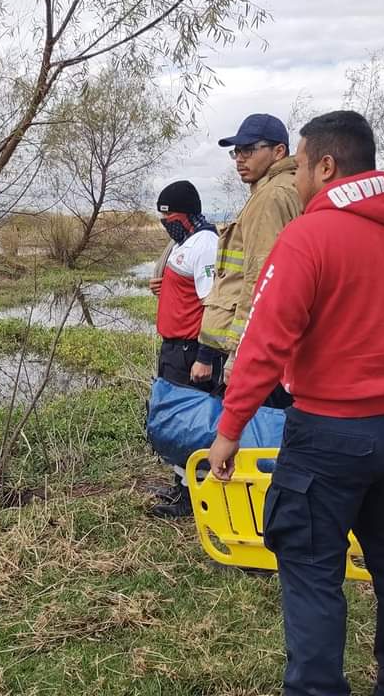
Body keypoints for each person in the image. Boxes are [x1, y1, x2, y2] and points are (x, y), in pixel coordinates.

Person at [206, 110, 384, 696]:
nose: (297, 179)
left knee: (312, 572)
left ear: (326, 165)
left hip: (329, 436)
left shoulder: (309, 236)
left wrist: (229, 429)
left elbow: (265, 340)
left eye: (299, 166)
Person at [194, 113, 301, 401]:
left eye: (250, 150)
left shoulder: (271, 197)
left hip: (260, 351)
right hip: (282, 349)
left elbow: (260, 278)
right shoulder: (286, 188)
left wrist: (238, 352)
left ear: (279, 151)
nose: (240, 159)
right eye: (237, 152)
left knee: (254, 438)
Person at [146, 180, 218, 518]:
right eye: (163, 218)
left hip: (191, 350)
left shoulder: (205, 243)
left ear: (188, 214)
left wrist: (206, 356)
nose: (167, 223)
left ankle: (195, 497)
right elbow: (185, 288)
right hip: (173, 347)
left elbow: (212, 304)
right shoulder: (183, 242)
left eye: (172, 216)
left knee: (191, 422)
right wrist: (164, 288)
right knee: (175, 420)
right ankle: (181, 487)